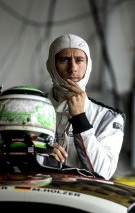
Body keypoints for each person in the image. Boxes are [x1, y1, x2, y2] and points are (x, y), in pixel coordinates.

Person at [45, 34, 125, 180]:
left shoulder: (108, 118)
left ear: (88, 65)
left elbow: (102, 174)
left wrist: (80, 119)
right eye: (65, 60)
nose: (73, 68)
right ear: (51, 64)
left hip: (81, 202)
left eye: (79, 60)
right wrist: (40, 154)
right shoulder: (31, 108)